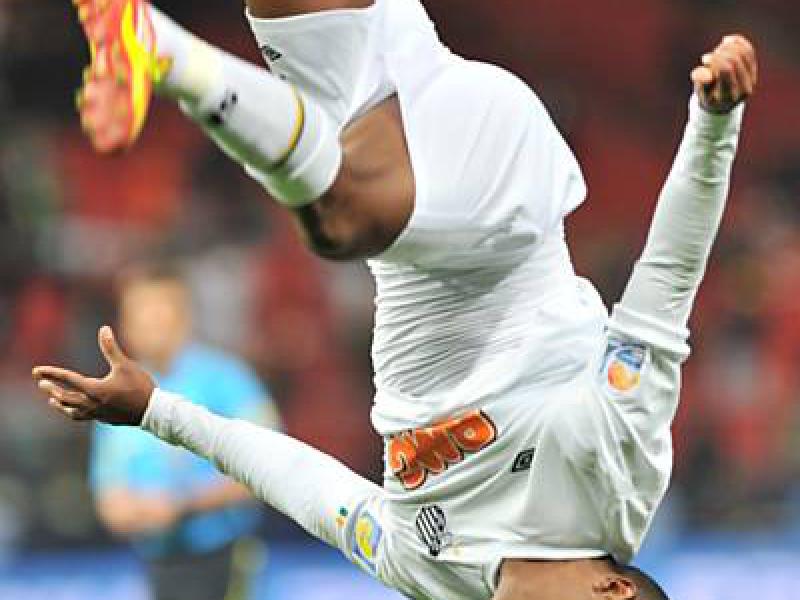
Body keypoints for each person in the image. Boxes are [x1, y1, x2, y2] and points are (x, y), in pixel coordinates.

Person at [34, 0, 758, 598]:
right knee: (341, 221)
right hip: (500, 194)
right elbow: (666, 286)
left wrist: (157, 412)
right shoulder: (619, 478)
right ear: (616, 591)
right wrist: (715, 124)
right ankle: (156, 44)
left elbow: (311, 488)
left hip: (396, 137)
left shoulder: (431, 572)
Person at [89, 263, 278, 600]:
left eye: (159, 313)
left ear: (183, 317)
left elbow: (269, 467)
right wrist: (142, 512)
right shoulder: (115, 396)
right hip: (158, 565)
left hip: (227, 556)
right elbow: (110, 500)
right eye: (140, 314)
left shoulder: (227, 380)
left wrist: (184, 505)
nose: (151, 325)